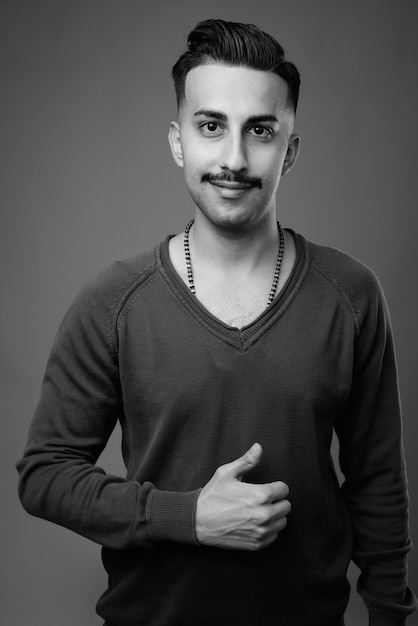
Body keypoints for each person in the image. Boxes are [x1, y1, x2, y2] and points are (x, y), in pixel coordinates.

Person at [17, 18, 416, 626]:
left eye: (260, 130)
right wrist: (186, 517)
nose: (233, 158)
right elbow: (44, 476)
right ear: (179, 142)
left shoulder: (351, 295)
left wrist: (390, 617)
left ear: (292, 148)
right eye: (211, 127)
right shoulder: (113, 301)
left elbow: (379, 481)